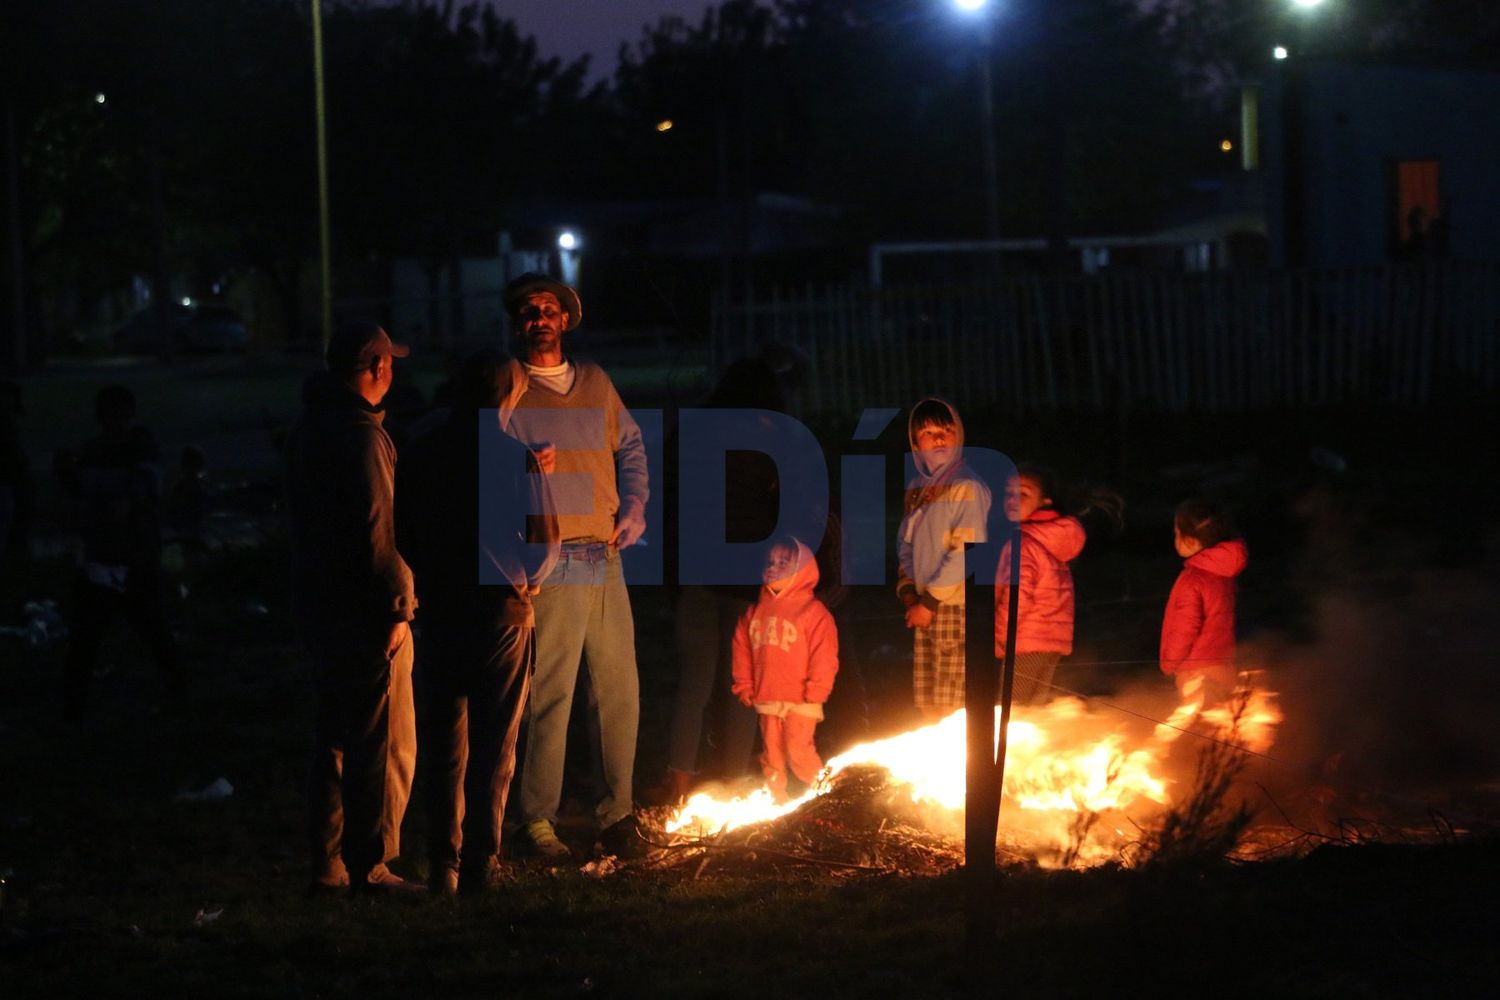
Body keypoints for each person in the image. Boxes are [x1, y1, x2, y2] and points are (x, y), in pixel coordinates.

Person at [496, 273, 651, 860]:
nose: (540, 317)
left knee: (619, 692)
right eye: (529, 310)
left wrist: (634, 505)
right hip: (551, 561)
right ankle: (535, 820)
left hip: (604, 555)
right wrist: (520, 465)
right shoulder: (508, 388)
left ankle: (618, 815)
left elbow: (631, 445)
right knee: (551, 695)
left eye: (550, 309)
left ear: (566, 320)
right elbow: (480, 459)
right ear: (518, 323)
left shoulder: (595, 383)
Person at [396, 349, 559, 895]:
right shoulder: (517, 456)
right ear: (508, 394)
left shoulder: (422, 450)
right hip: (501, 617)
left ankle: (442, 862)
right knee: (495, 748)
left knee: (442, 746)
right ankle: (480, 864)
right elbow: (546, 542)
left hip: (440, 615)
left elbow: (403, 534)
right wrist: (527, 581)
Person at [284, 321, 419, 894]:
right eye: (389, 362)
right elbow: (376, 532)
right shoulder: (364, 436)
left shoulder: (311, 425)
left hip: (319, 603)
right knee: (381, 742)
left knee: (333, 737)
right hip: (363, 611)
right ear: (377, 367)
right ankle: (373, 863)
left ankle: (327, 861)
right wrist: (396, 606)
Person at [653, 358, 784, 805]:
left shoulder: (691, 434)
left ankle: (680, 780)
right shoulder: (773, 437)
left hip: (697, 575)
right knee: (741, 685)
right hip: (747, 581)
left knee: (694, 682)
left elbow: (665, 500)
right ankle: (731, 780)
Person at [56, 385, 185, 721]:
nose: (117, 424)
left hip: (134, 557)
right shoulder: (97, 452)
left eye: (122, 417)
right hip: (103, 558)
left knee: (154, 634)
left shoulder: (140, 452)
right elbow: (83, 494)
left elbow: (141, 491)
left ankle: (179, 699)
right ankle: (73, 711)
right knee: (86, 641)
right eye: (111, 418)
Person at [994, 465, 1123, 706]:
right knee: (1033, 706)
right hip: (1050, 640)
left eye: (1022, 494)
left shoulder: (1023, 543)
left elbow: (1018, 595)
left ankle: (1011, 745)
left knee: (1012, 707)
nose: (1012, 500)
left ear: (1045, 502)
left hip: (1025, 638)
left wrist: (1001, 635)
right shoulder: (1053, 541)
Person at [896, 398, 992, 721]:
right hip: (925, 606)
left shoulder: (967, 487)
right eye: (927, 432)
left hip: (953, 608)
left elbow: (966, 552)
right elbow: (905, 545)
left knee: (953, 701)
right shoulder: (917, 489)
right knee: (929, 701)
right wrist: (909, 592)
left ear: (958, 435)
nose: (937, 439)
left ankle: (966, 769)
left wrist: (930, 601)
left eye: (945, 430)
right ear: (915, 443)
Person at [731, 537, 839, 803]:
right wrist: (744, 685)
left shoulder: (813, 612)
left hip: (802, 699)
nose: (773, 568)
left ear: (802, 572)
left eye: (783, 563)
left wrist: (818, 688)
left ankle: (825, 794)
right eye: (770, 562)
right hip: (768, 697)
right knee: (772, 754)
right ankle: (775, 801)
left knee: (799, 750)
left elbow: (825, 653)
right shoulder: (754, 613)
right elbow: (742, 650)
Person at [1160, 499, 1248, 709]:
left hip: (1195, 671)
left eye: (1176, 533)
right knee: (1221, 726)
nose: (1175, 539)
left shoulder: (1193, 579)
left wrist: (1170, 663)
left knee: (1199, 730)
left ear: (1190, 540)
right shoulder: (1224, 576)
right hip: (1224, 665)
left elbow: (1185, 627)